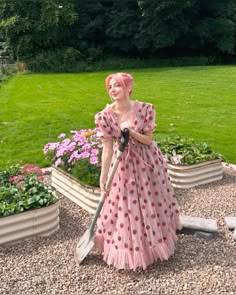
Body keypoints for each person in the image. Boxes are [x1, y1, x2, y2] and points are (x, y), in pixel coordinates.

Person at [94, 72, 182, 270]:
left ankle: (153, 244)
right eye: (110, 87)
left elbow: (148, 140)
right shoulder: (105, 116)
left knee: (150, 201)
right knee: (126, 205)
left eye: (117, 86)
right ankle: (130, 248)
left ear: (128, 88)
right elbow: (107, 149)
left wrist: (131, 132)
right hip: (122, 165)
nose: (113, 90)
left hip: (147, 162)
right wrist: (103, 176)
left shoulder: (144, 109)